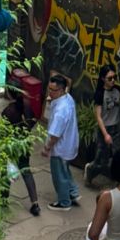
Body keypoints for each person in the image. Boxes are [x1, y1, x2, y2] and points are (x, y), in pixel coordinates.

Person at [40, 71, 80, 210]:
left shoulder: (60, 111)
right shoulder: (68, 99)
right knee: (65, 170)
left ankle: (64, 202)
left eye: (53, 90)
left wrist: (47, 148)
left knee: (59, 175)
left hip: (60, 148)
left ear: (62, 89)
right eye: (49, 89)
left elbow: (55, 135)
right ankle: (73, 192)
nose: (50, 93)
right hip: (70, 144)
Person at [1, 83, 41, 216]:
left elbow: (3, 131)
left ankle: (3, 199)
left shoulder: (8, 111)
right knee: (26, 170)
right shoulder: (26, 105)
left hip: (11, 145)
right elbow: (33, 120)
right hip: (24, 144)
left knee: (6, 172)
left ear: (9, 93)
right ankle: (35, 203)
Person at [84, 64, 120, 187]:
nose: (113, 80)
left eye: (114, 77)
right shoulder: (100, 94)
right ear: (103, 79)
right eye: (109, 78)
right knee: (101, 157)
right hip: (104, 128)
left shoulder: (118, 90)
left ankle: (117, 179)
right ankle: (90, 171)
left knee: (117, 156)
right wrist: (105, 134)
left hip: (116, 127)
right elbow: (98, 116)